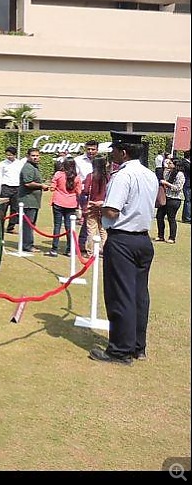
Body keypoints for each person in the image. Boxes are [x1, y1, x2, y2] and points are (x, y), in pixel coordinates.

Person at [89, 139, 158, 365]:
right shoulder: (149, 175)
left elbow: (112, 211)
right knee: (139, 295)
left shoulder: (122, 175)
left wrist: (100, 207)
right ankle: (138, 346)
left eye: (115, 151)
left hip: (122, 240)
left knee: (121, 295)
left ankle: (120, 350)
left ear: (124, 152)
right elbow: (159, 201)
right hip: (143, 240)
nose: (113, 155)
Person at [46, 158, 82, 257]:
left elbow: (52, 188)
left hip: (58, 202)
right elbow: (79, 192)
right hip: (71, 204)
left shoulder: (58, 174)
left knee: (57, 226)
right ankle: (69, 249)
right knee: (69, 227)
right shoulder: (77, 178)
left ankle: (54, 249)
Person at [18, 148, 51, 253]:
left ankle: (27, 244)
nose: (36, 157)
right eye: (33, 155)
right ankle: (27, 245)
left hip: (33, 201)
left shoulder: (34, 167)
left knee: (31, 223)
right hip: (28, 201)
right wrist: (41, 185)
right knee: (28, 224)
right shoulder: (28, 167)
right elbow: (28, 183)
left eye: (37, 155)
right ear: (28, 156)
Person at [74, 140, 99, 255]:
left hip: (96, 194)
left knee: (92, 221)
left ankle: (88, 244)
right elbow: (75, 178)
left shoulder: (100, 161)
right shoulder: (78, 160)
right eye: (88, 149)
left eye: (93, 149)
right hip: (83, 193)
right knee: (84, 219)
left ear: (97, 150)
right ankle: (80, 244)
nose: (90, 151)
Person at [81, 157, 110, 256]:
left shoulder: (91, 176)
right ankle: (106, 250)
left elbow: (85, 191)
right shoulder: (108, 177)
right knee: (103, 230)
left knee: (91, 230)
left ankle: (90, 251)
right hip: (104, 205)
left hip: (92, 205)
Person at [155, 158, 185, 244]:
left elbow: (178, 188)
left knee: (171, 218)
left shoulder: (180, 175)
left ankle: (172, 237)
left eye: (170, 163)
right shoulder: (168, 172)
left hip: (174, 199)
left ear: (175, 165)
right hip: (165, 197)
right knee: (159, 216)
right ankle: (160, 235)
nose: (168, 164)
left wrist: (166, 183)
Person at [0, 146, 24, 233]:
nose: (9, 157)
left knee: (15, 209)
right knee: (2, 209)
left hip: (17, 187)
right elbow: (0, 176)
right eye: (7, 155)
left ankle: (10, 227)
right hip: (6, 187)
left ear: (15, 155)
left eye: (11, 155)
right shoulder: (3, 163)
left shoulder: (20, 163)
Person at [180, 151, 191, 223]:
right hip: (187, 183)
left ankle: (186, 216)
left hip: (188, 183)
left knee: (188, 200)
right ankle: (187, 217)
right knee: (188, 200)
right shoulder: (185, 163)